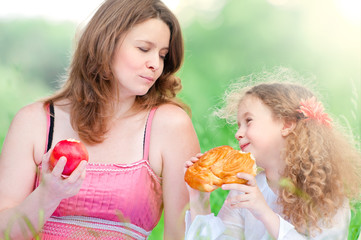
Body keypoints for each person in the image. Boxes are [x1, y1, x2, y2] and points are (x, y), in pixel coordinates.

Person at [0, 0, 200, 239]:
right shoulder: (34, 121)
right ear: (106, 43)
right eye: (144, 49)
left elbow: (186, 232)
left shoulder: (170, 125)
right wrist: (48, 195)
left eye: (163, 55)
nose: (155, 64)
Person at [184, 68, 361, 239]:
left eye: (248, 121)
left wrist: (265, 213)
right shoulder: (244, 189)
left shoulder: (327, 195)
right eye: (239, 125)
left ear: (286, 124)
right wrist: (199, 200)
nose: (238, 133)